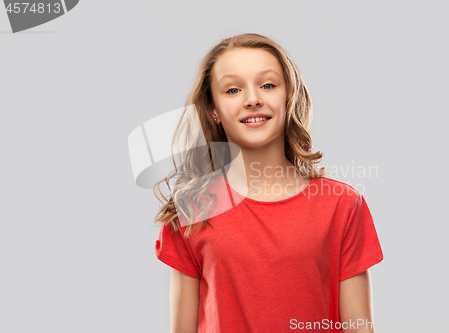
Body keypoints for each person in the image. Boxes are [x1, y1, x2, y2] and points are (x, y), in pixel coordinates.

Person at [153, 33, 383, 333]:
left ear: (288, 96)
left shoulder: (342, 204)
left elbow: (359, 328)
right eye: (233, 89)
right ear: (213, 109)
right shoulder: (193, 208)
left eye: (268, 85)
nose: (253, 99)